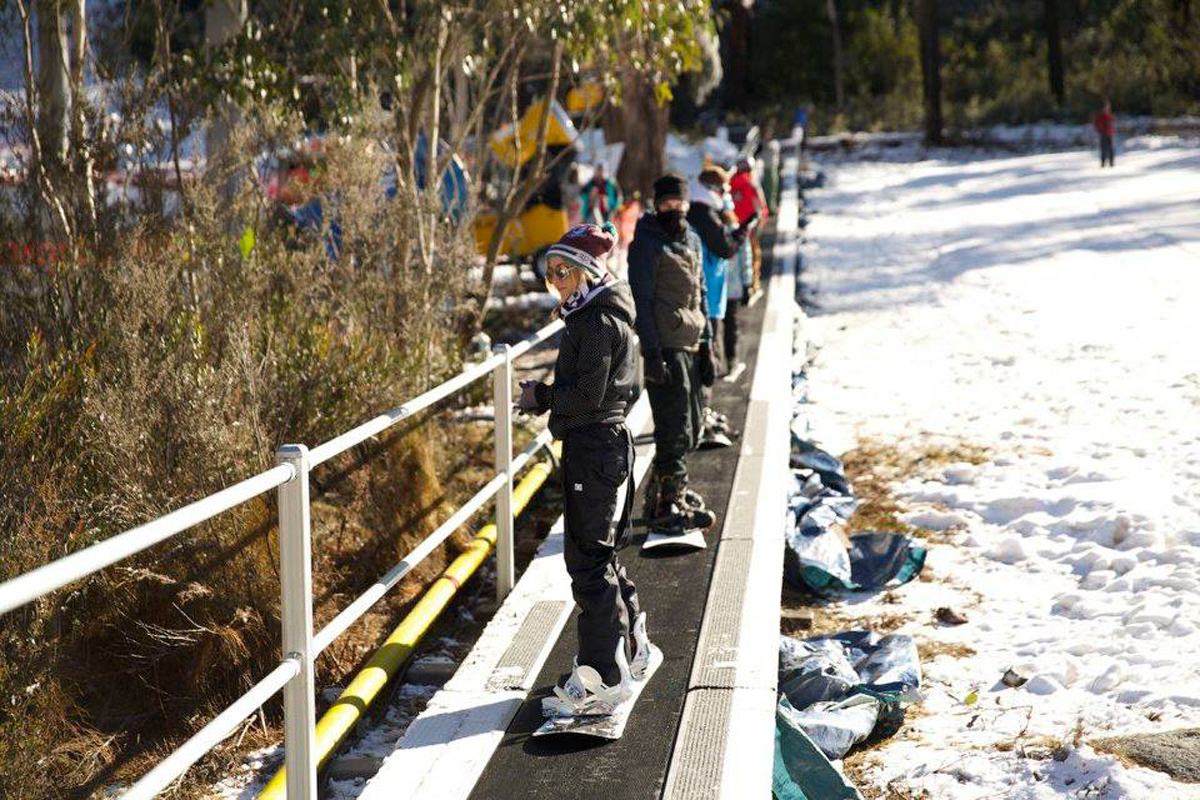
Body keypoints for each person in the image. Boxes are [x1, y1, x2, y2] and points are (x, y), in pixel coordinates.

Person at [519, 222, 653, 711]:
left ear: (588, 272)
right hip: (603, 445)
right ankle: (631, 644)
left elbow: (587, 394)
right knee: (601, 553)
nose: (556, 281)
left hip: (595, 447)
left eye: (564, 271)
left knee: (587, 563)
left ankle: (602, 676)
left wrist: (543, 396)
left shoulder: (595, 323)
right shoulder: (602, 315)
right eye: (550, 272)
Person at [627, 174, 717, 530]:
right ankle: (668, 502)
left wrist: (708, 344)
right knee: (673, 424)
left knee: (693, 424)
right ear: (656, 204)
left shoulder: (692, 238)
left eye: (678, 203)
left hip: (693, 340)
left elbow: (702, 293)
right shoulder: (647, 243)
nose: (673, 208)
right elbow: (642, 300)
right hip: (665, 343)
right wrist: (652, 352)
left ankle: (668, 489)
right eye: (666, 203)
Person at [730, 157, 770, 296]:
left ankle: (737, 286)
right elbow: (761, 207)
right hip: (750, 226)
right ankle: (753, 285)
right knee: (752, 256)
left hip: (733, 226)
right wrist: (760, 222)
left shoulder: (729, 183)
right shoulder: (751, 183)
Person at [1093, 99, 1116, 168]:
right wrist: (1100, 128)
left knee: (1111, 148)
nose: (1107, 107)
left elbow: (1113, 123)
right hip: (1103, 134)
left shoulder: (1110, 114)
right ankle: (1103, 163)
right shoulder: (1100, 115)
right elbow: (1096, 124)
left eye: (1108, 106)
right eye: (1106, 106)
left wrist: (1112, 128)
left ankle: (1111, 162)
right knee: (1103, 148)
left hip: (1110, 133)